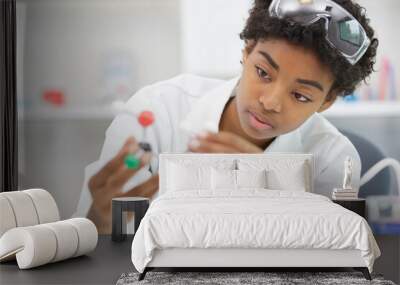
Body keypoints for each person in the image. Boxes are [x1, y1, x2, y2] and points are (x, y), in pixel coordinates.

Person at [74, 0, 378, 233]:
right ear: (247, 51)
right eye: (263, 72)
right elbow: (102, 242)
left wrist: (270, 191)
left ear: (327, 101)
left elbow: (323, 260)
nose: (270, 102)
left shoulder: (331, 158)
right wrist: (101, 222)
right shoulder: (157, 110)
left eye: (300, 95)